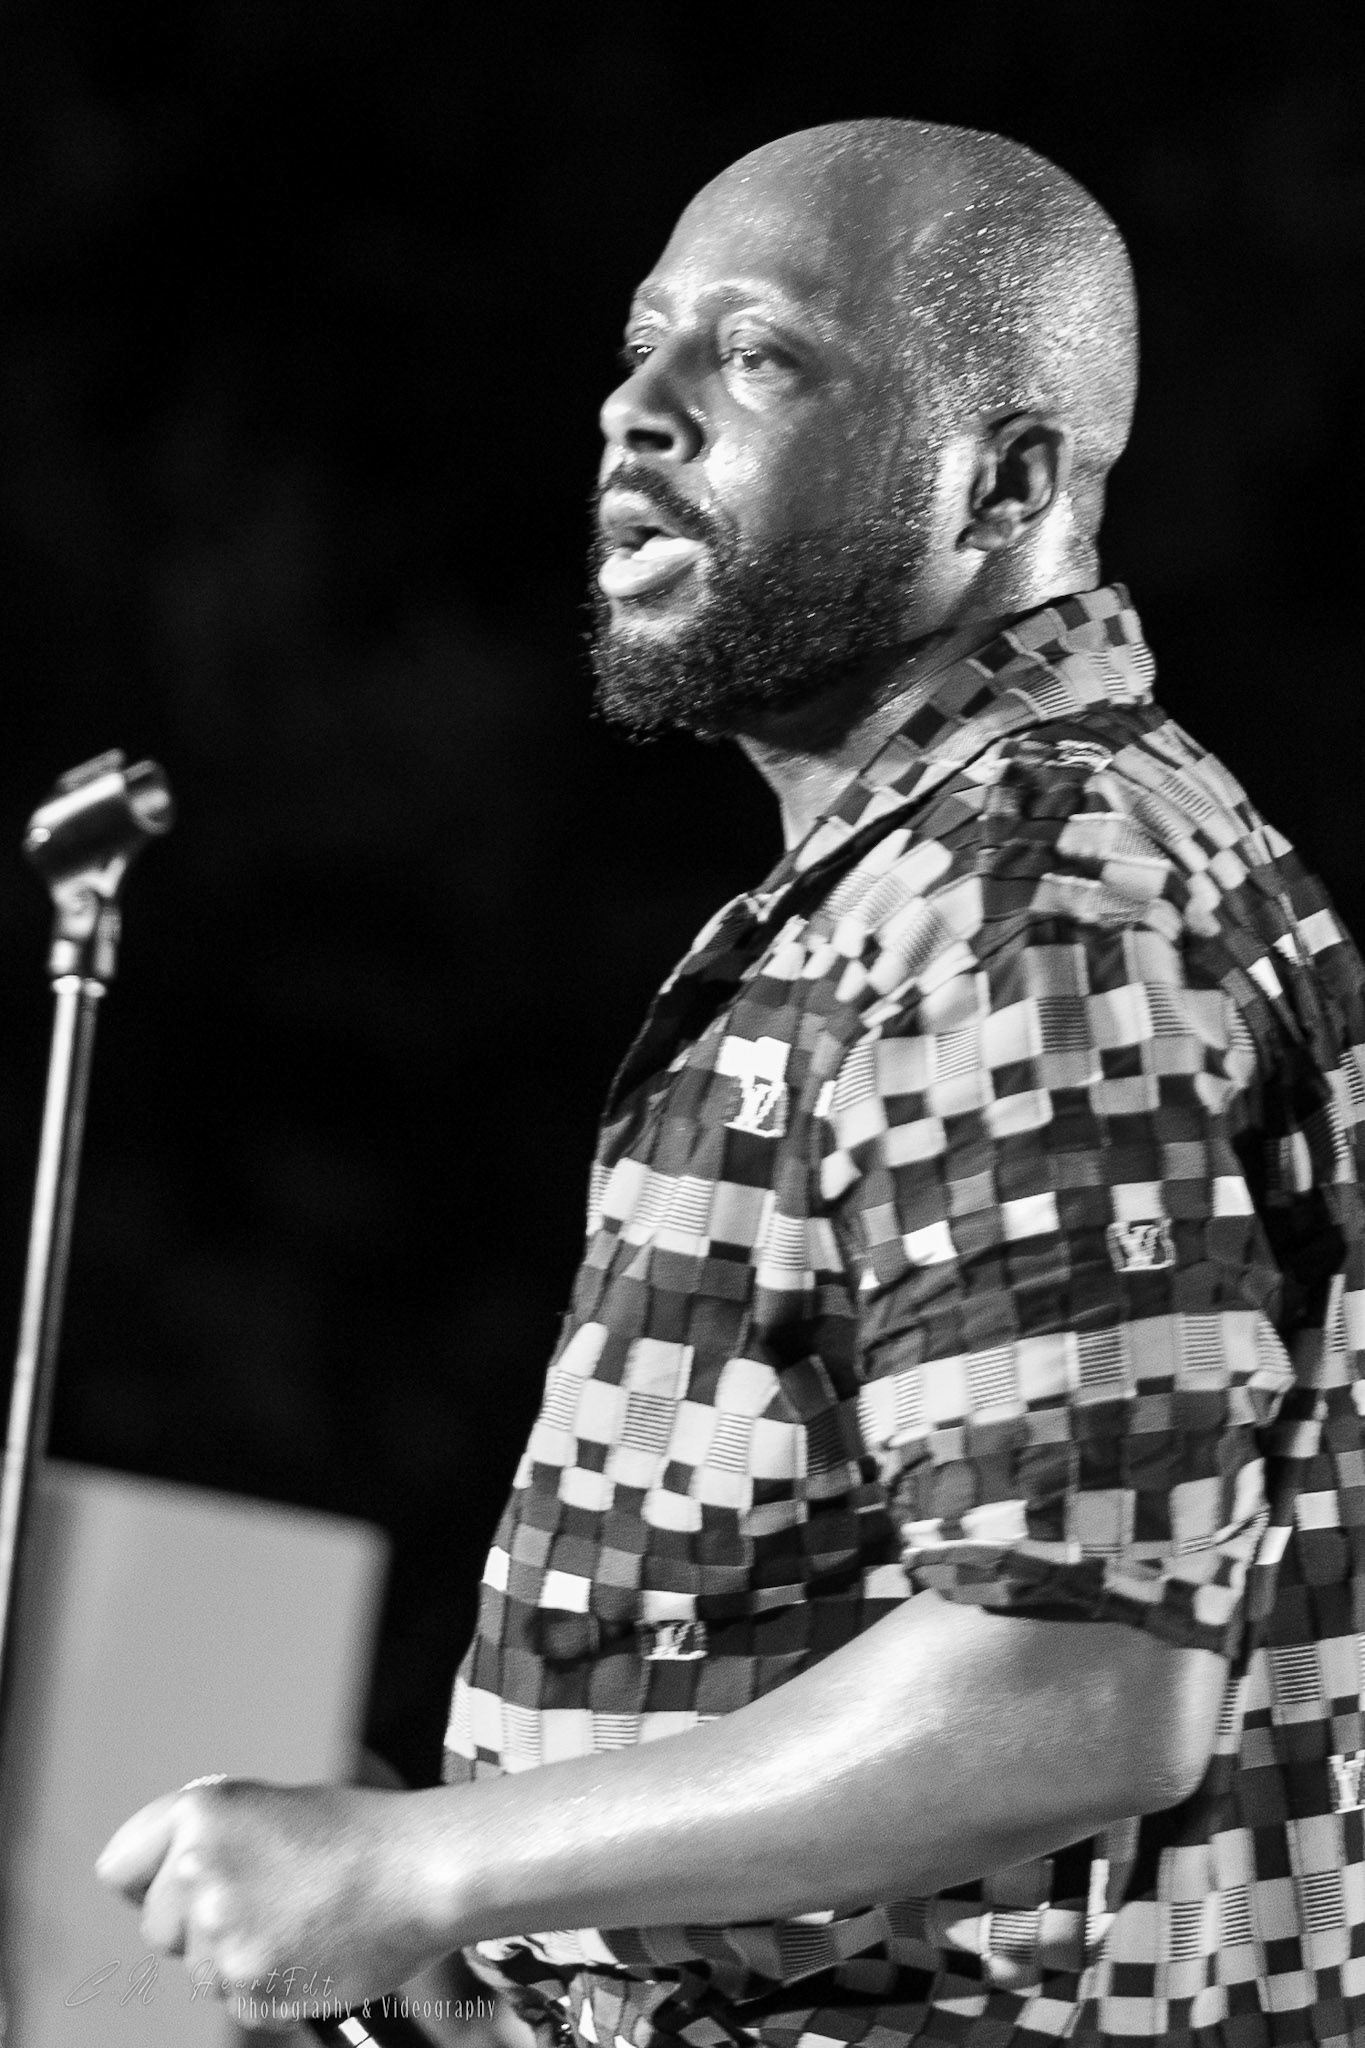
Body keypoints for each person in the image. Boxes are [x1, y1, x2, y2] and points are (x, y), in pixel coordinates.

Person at [99, 119, 1365, 2048]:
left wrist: (423, 1866)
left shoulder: (1030, 909)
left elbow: (1068, 1684)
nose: (640, 408)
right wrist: (513, 1923)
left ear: (1008, 478)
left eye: (757, 355)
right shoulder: (945, 865)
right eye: (645, 344)